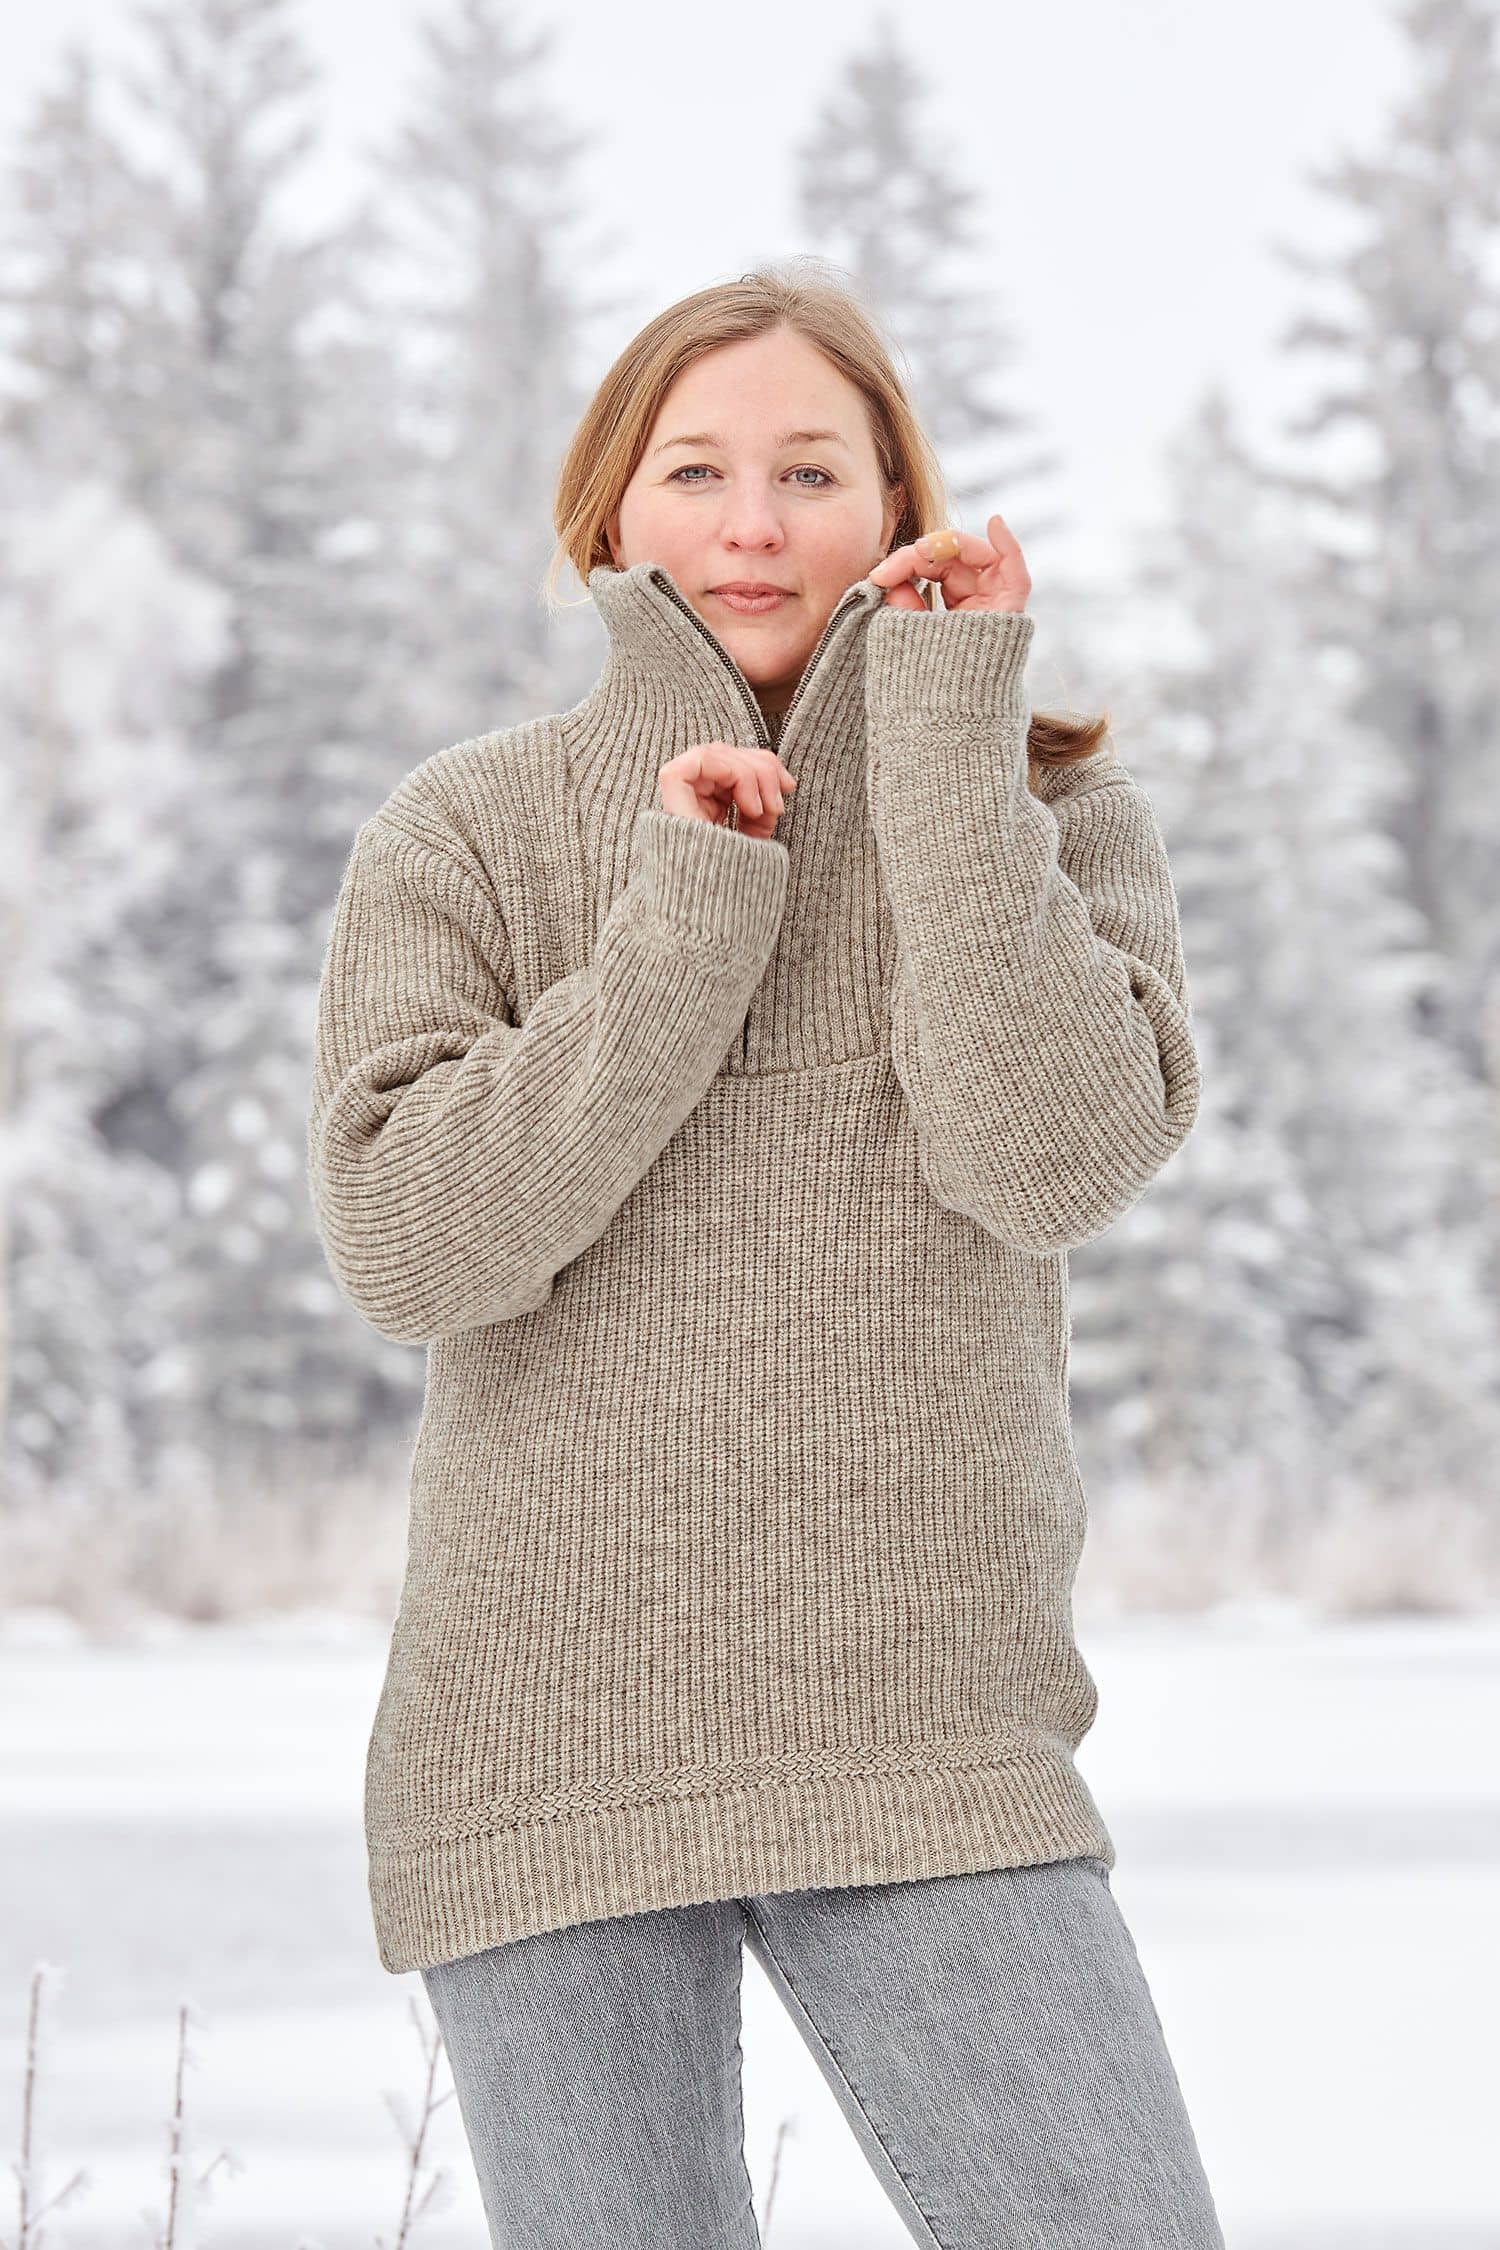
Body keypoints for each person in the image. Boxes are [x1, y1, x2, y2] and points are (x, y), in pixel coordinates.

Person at [307, 261, 1223, 2247]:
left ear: (896, 503)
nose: (751, 524)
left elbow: (1048, 1160)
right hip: (547, 1745)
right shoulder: (468, 832)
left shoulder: (1052, 811)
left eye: (812, 471)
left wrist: (951, 762)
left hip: (927, 1732)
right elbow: (408, 1244)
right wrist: (685, 915)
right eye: (696, 470)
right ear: (609, 507)